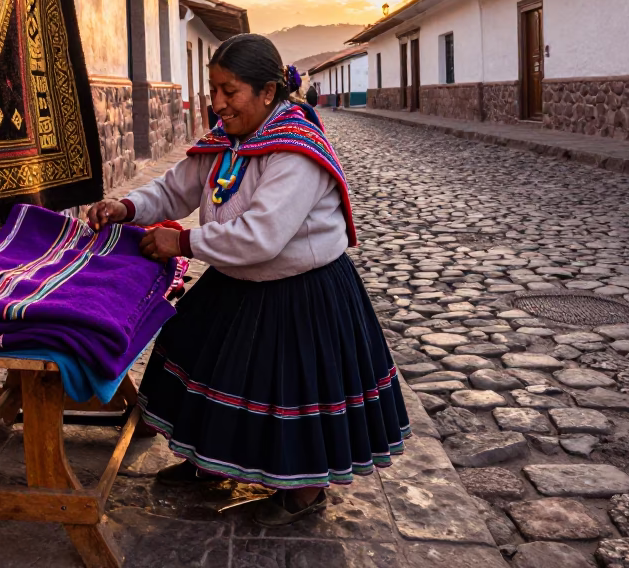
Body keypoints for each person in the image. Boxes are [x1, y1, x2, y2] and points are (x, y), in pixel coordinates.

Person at [87, 33, 409, 527]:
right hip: (236, 281)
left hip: (301, 293)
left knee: (289, 388)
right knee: (203, 361)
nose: (217, 103)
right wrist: (127, 206)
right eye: (212, 90)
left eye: (228, 91)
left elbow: (262, 237)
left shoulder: (295, 152)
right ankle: (208, 462)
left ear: (267, 92)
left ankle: (303, 492)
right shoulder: (228, 143)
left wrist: (184, 243)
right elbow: (177, 188)